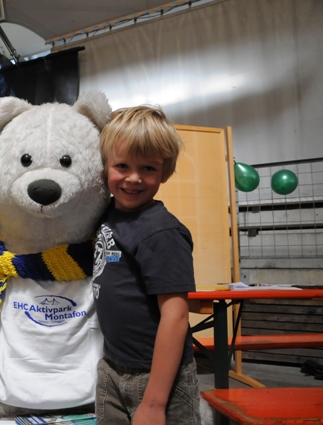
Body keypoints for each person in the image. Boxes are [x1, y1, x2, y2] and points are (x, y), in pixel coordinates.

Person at [91, 105, 200, 425]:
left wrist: (154, 402)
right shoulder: (107, 214)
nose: (134, 178)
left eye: (148, 168)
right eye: (122, 165)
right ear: (105, 166)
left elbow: (176, 316)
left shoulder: (161, 232)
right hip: (112, 366)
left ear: (164, 171)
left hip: (159, 376)